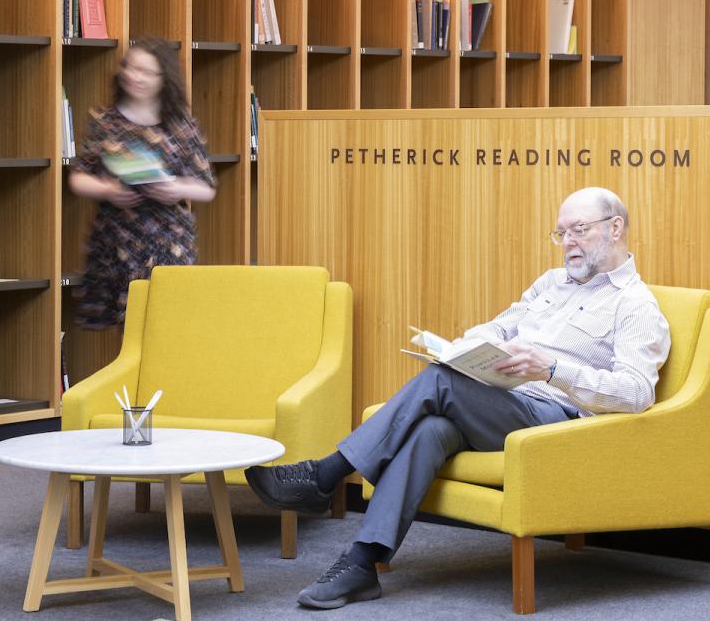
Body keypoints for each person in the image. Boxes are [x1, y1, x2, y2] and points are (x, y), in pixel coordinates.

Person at [245, 187, 671, 609]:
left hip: (557, 422)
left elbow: (636, 393)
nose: (568, 244)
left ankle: (327, 473)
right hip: (503, 403)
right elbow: (499, 327)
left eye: (579, 230)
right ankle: (362, 563)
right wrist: (472, 350)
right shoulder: (552, 284)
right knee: (432, 429)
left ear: (615, 228)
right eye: (561, 234)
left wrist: (554, 370)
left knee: (441, 381)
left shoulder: (635, 306)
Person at [68, 38, 216, 329]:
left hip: (167, 241)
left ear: (164, 79)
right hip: (117, 240)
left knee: (165, 325)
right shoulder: (105, 121)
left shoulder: (181, 124)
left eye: (146, 72)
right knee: (129, 329)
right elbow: (78, 178)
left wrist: (176, 188)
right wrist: (107, 190)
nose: (134, 77)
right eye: (130, 68)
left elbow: (206, 187)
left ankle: (162, 377)